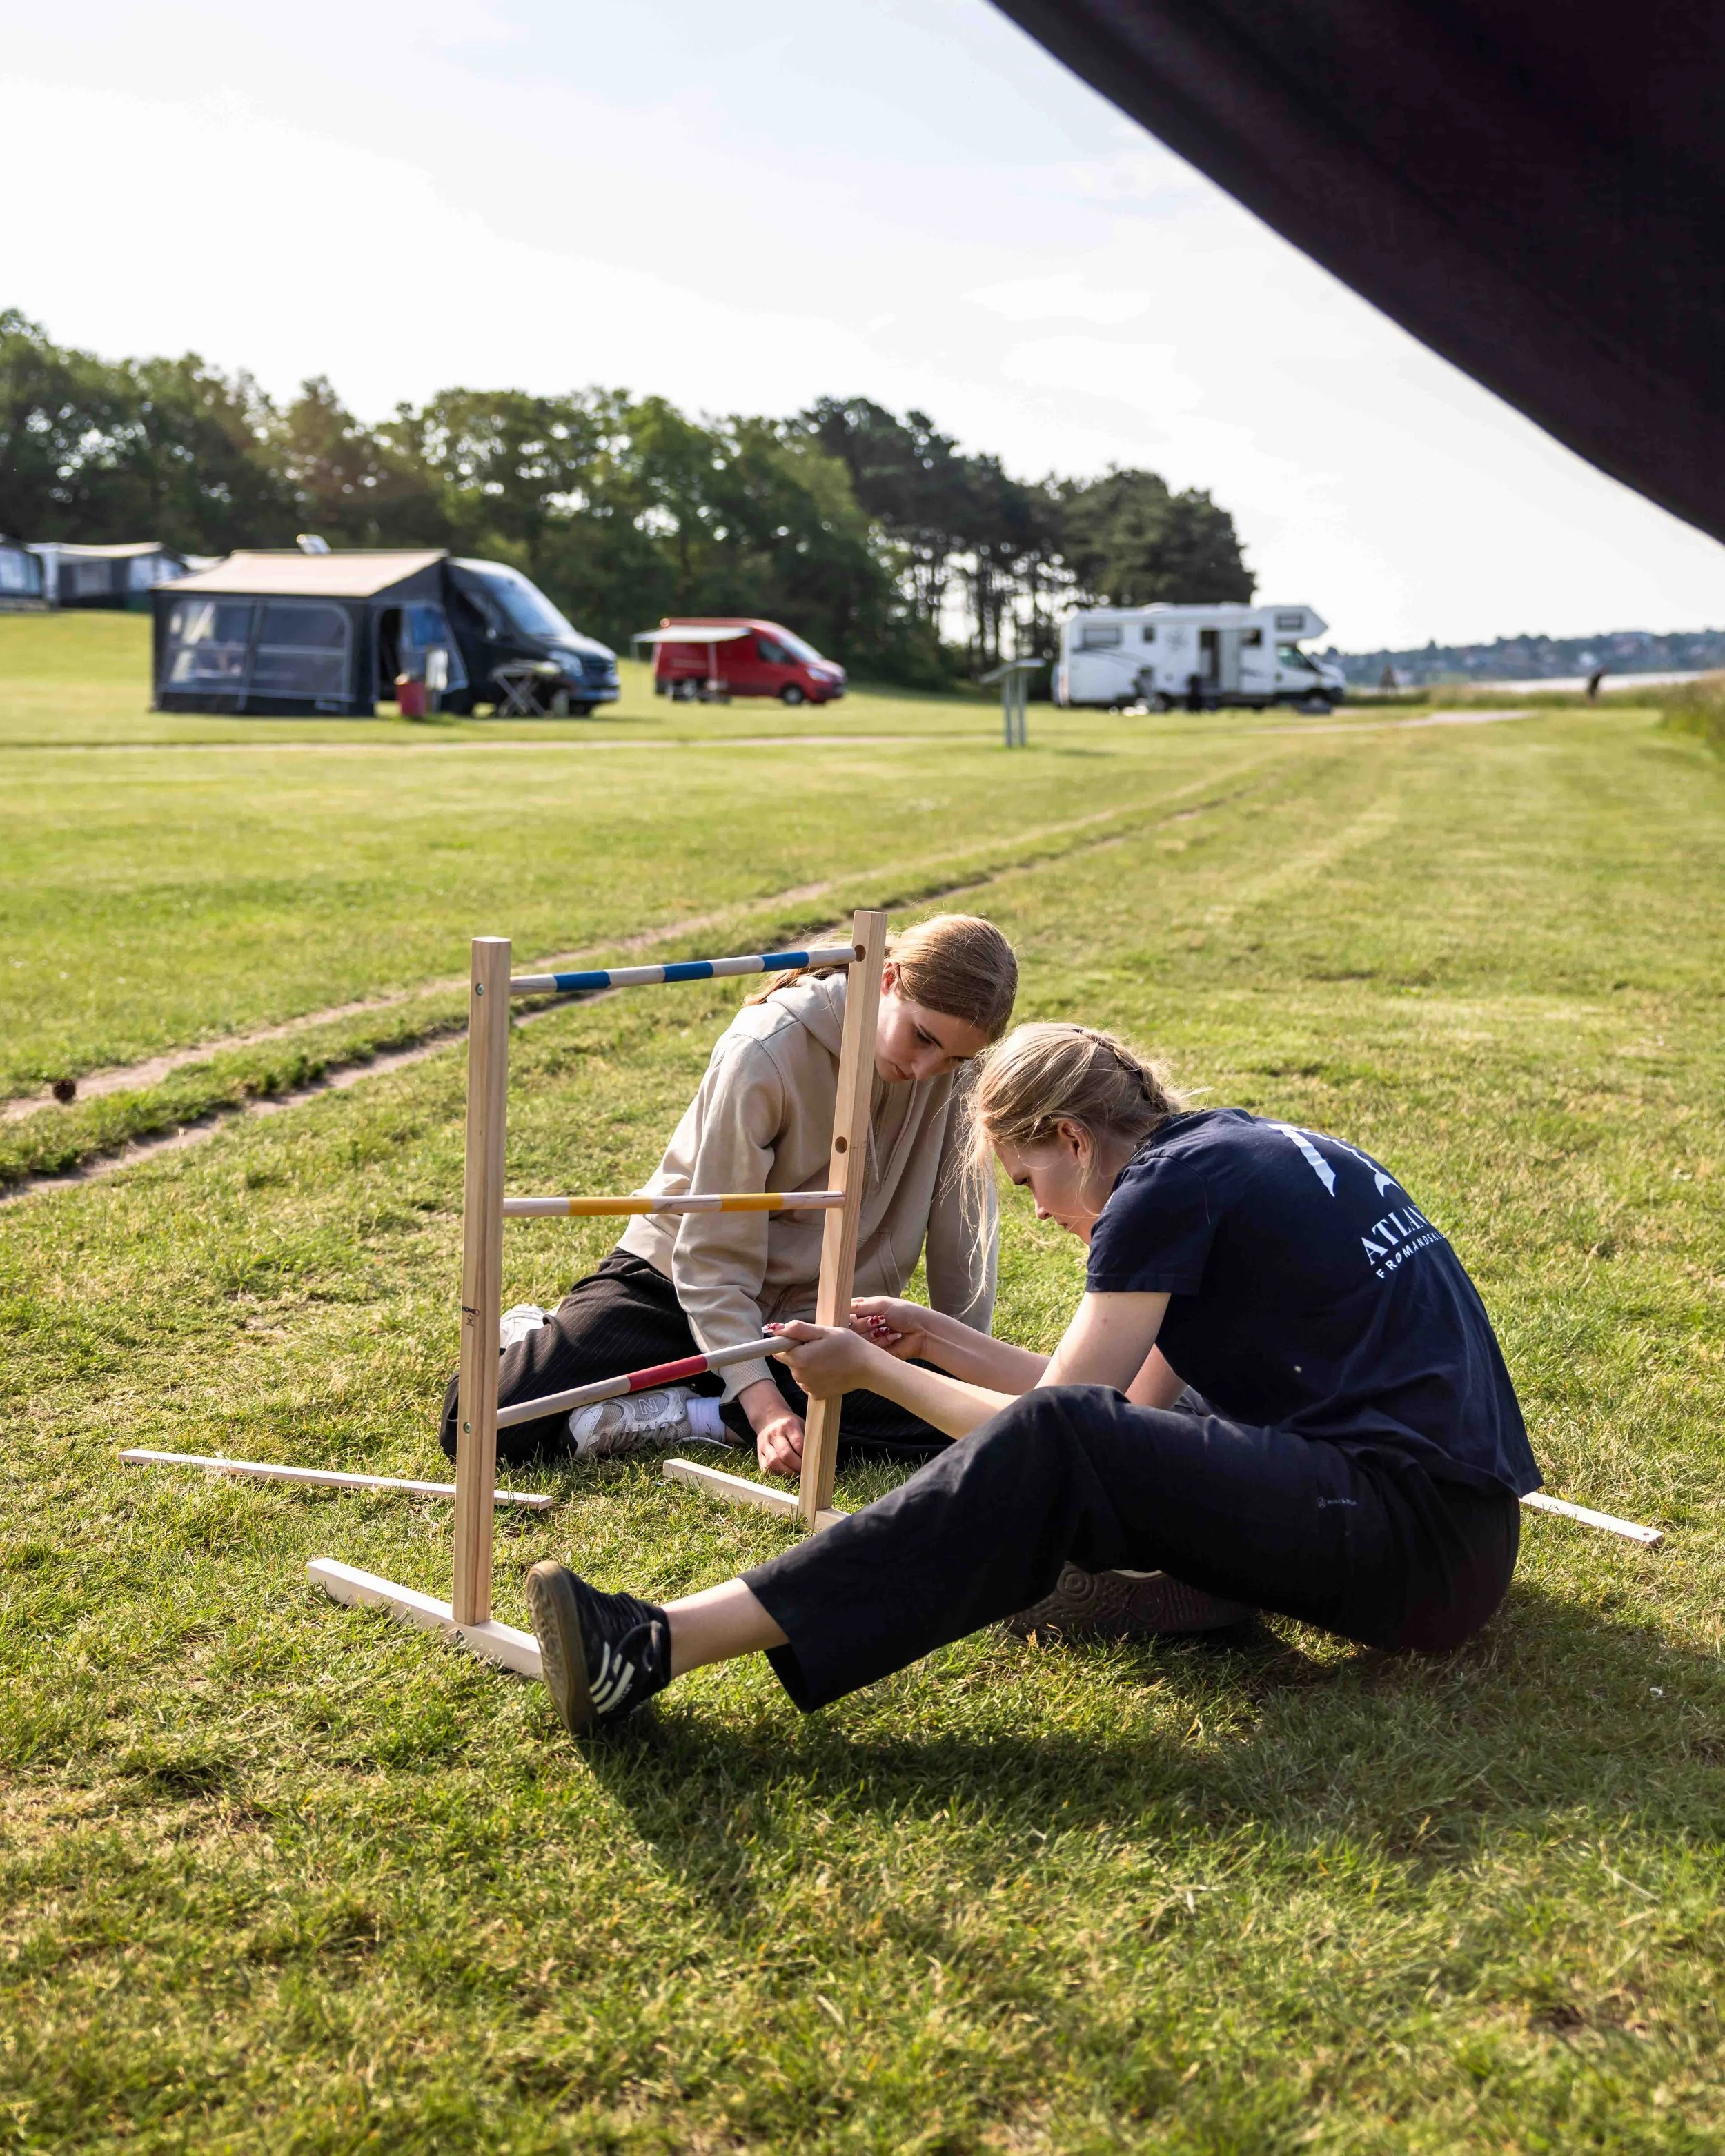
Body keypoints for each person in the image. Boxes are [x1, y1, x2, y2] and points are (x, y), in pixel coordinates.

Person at [521, 1022, 1543, 1737]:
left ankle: (655, 1647)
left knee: (1047, 1477)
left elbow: (1065, 1426)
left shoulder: (1162, 1190)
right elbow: (1123, 1415)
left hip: (1404, 1543)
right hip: (1457, 1545)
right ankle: (1181, 1594)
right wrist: (933, 1340)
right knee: (1049, 1511)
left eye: (1030, 1183)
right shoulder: (1242, 1159)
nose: (1046, 1214)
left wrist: (873, 1369)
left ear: (1073, 1139)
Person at [440, 913, 1018, 1475]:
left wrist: (960, 1370)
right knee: (480, 1424)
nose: (927, 1069)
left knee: (970, 1422)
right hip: (677, 1284)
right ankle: (542, 1339)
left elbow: (962, 1237)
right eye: (922, 1038)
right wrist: (765, 1409)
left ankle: (692, 1411)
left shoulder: (955, 1075)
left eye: (954, 1058)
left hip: (812, 1319)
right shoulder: (766, 1047)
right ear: (887, 980)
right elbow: (710, 1255)